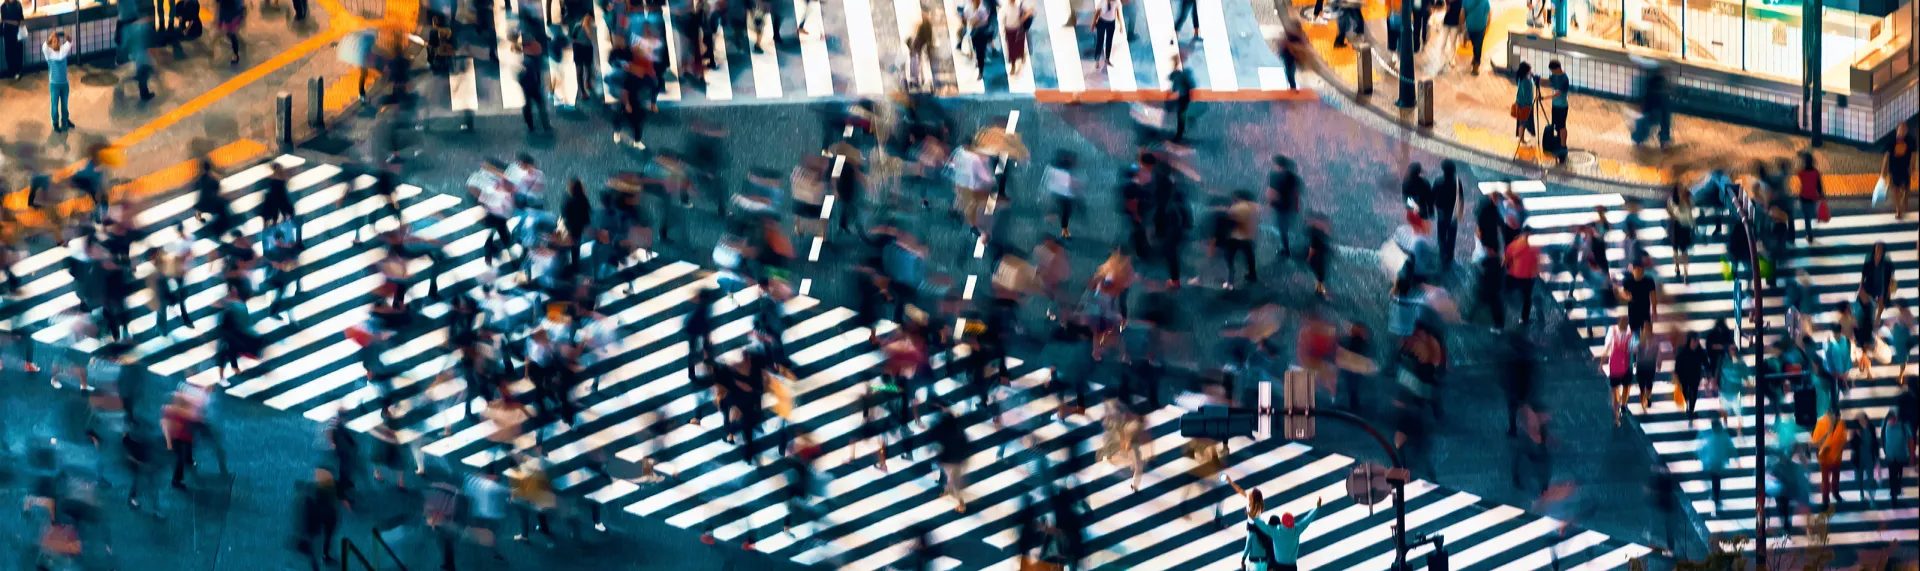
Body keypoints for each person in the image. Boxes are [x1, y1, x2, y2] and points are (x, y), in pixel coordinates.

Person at [1630, 62, 1673, 148]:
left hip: (1648, 71)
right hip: (1654, 76)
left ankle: (1639, 139)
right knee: (1662, 111)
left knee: (1645, 113)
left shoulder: (1641, 79)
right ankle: (1663, 139)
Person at [1696, 416, 1734, 510]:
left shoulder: (1712, 435)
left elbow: (1702, 447)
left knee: (1715, 479)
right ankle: (1715, 496)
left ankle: (1715, 496)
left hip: (1714, 462)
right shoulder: (1718, 436)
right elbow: (1731, 447)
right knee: (1715, 479)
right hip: (1714, 462)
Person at [1791, 151, 1825, 244]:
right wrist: (1821, 195)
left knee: (1806, 217)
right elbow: (1819, 185)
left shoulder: (1801, 173)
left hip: (1804, 197)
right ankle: (1811, 227)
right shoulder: (1816, 172)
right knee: (1811, 213)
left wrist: (1800, 159)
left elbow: (1796, 170)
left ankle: (1809, 235)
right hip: (1813, 197)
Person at [44, 32, 74, 132]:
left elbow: (70, 42)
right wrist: (50, 37)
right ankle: (55, 123)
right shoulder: (48, 53)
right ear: (51, 43)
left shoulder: (63, 50)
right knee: (54, 105)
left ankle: (65, 120)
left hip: (64, 84)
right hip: (54, 85)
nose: (56, 42)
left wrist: (66, 35)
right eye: (53, 41)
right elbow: (44, 46)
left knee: (65, 104)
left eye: (57, 41)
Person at [1884, 122, 1915, 218]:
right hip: (1894, 168)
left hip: (1905, 167)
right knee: (1895, 188)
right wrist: (1882, 172)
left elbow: (1914, 155)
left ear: (1906, 131)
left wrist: (1912, 166)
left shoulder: (1910, 140)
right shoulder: (1891, 140)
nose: (1902, 133)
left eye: (1904, 130)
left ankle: (1905, 197)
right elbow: (1886, 156)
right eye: (1900, 130)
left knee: (1906, 186)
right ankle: (1898, 210)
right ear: (1897, 130)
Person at [1512, 61, 1538, 143]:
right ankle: (1521, 139)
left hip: (1520, 102)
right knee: (1522, 122)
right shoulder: (1526, 81)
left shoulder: (1521, 77)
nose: (1531, 71)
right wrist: (1529, 105)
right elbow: (1527, 94)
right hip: (1525, 104)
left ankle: (1521, 137)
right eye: (1530, 70)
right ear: (1527, 71)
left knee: (1521, 121)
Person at [1462, 0, 1489, 75]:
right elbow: (1463, 12)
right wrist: (1461, 26)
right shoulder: (1466, 1)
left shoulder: (1485, 1)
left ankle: (1476, 68)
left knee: (1478, 47)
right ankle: (1475, 58)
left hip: (1480, 29)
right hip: (1471, 28)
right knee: (1475, 45)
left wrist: (1487, 27)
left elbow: (1489, 13)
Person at [1091, 0, 1119, 71]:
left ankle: (1107, 59)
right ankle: (1097, 60)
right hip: (1102, 22)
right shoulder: (1102, 2)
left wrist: (1120, 24)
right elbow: (1097, 13)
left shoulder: (1116, 2)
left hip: (1111, 23)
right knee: (1100, 41)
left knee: (1109, 41)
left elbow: (1117, 12)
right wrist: (1093, 24)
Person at [1543, 60, 1570, 131]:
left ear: (1558, 69)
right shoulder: (1555, 75)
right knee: (1555, 124)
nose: (1552, 72)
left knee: (1562, 126)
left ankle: (1563, 142)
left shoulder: (1564, 79)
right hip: (1555, 105)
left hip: (1562, 106)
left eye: (1552, 70)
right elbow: (1548, 81)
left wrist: (1544, 98)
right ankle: (1557, 139)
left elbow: (1557, 94)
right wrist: (1538, 79)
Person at [1, 0, 22, 79]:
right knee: (9, 52)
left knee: (17, 52)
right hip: (8, 33)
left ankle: (17, 71)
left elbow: (20, 19)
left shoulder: (18, 4)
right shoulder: (3, 6)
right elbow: (3, 19)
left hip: (16, 33)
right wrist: (14, 22)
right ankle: (12, 71)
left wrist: (9, 22)